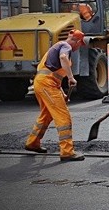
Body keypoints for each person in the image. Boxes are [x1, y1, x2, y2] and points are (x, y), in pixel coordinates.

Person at [25, 29, 86, 162]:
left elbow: (55, 75)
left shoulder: (59, 45)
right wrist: (70, 77)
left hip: (45, 83)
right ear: (76, 41)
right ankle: (67, 152)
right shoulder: (66, 46)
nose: (79, 47)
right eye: (80, 44)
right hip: (47, 84)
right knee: (63, 117)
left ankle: (32, 143)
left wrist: (62, 93)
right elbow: (63, 58)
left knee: (46, 115)